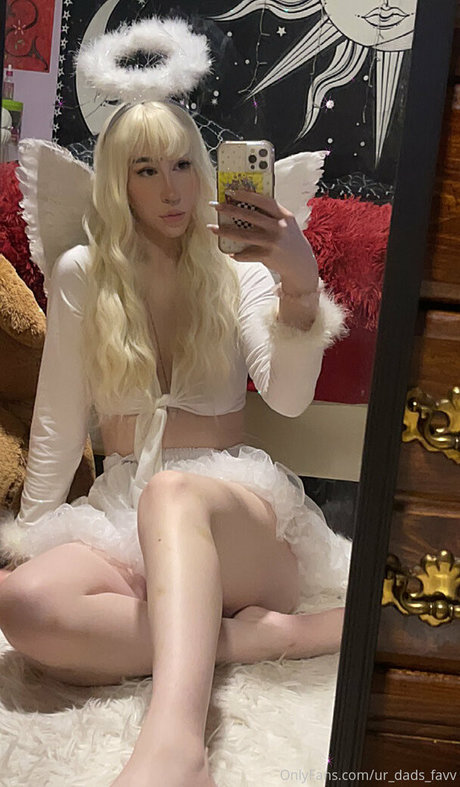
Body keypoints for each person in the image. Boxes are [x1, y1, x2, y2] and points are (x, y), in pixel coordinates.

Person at [0, 100, 348, 787]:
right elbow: (57, 426)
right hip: (124, 506)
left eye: (185, 164)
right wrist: (34, 538)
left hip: (237, 516)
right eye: (146, 170)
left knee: (172, 492)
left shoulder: (241, 269)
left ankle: (177, 744)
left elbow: (287, 397)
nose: (172, 189)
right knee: (22, 603)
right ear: (116, 182)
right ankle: (258, 638)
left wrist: (299, 284)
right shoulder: (81, 273)